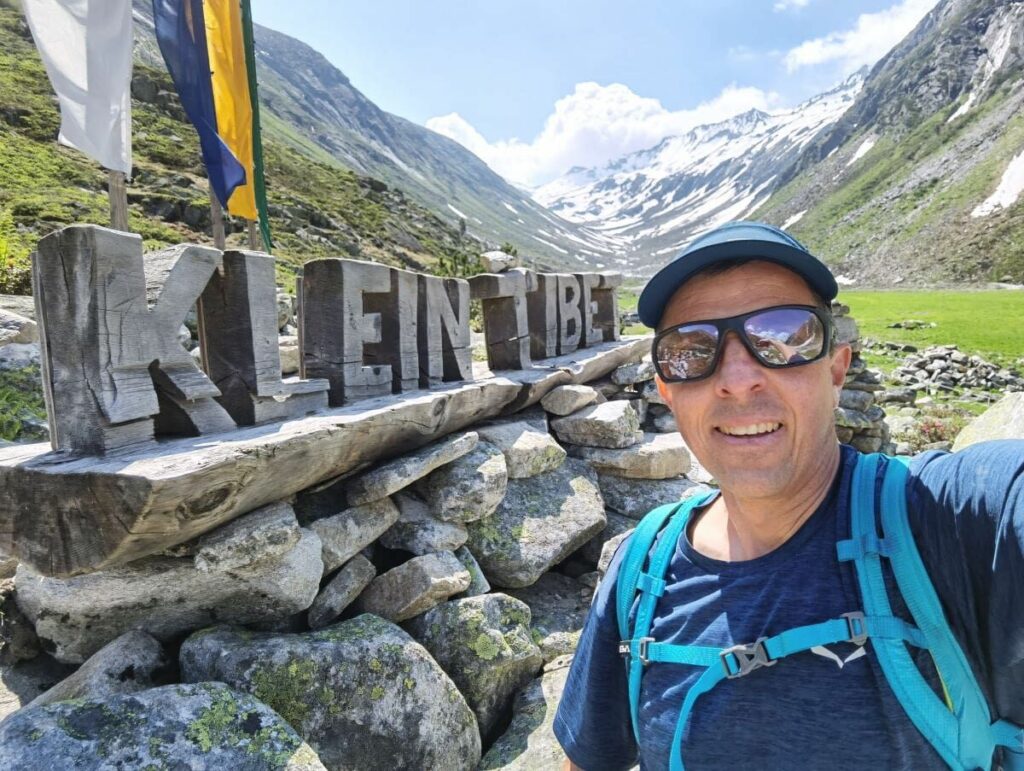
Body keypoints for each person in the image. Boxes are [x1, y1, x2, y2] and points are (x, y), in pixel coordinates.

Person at [553, 221, 1024, 770]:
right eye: (692, 350)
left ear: (836, 369)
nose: (737, 378)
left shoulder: (946, 519)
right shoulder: (641, 572)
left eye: (781, 335)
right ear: (666, 389)